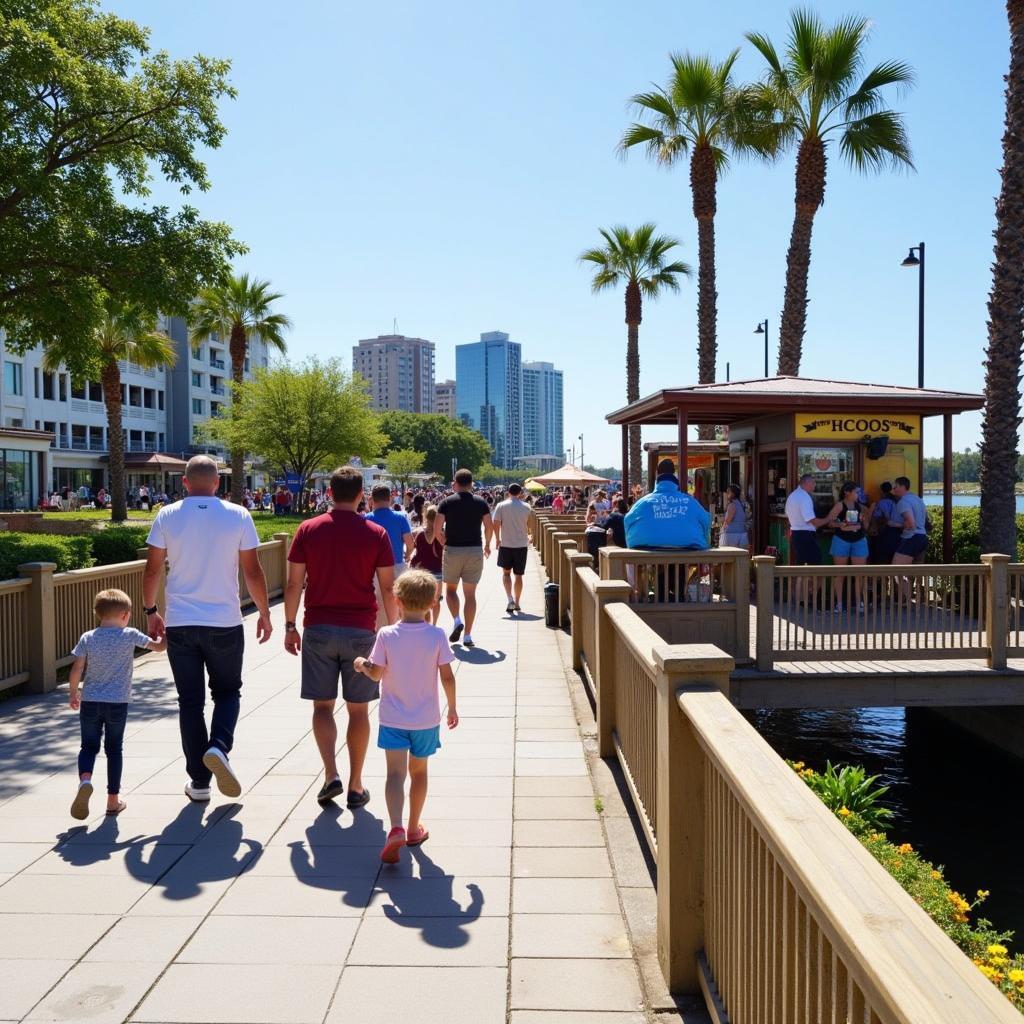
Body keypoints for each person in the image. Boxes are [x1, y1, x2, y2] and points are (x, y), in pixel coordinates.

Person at [142, 455, 272, 803]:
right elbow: (254, 572)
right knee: (228, 692)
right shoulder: (238, 515)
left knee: (190, 702)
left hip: (181, 622)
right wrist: (264, 612)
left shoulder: (167, 515)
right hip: (224, 622)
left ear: (184, 483)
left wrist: (151, 610)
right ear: (218, 483)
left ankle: (199, 783)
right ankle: (219, 747)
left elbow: (152, 569)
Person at [283, 465, 397, 808]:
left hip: (318, 627)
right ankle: (356, 784)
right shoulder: (376, 534)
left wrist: (290, 626)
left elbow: (293, 584)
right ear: (361, 495)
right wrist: (393, 633)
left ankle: (330, 774)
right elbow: (388, 587)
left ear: (329, 493)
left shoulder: (308, 529)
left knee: (322, 706)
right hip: (361, 630)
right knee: (359, 711)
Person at [354, 570, 458, 863]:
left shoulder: (386, 635)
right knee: (419, 773)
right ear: (432, 603)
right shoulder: (437, 635)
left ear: (397, 600)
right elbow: (447, 677)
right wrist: (452, 707)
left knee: (395, 775)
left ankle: (396, 826)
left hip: (393, 719)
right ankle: (414, 828)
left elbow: (375, 674)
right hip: (425, 719)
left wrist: (362, 664)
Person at [68, 589, 166, 818]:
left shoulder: (88, 637)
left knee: (88, 747)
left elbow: (77, 668)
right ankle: (113, 800)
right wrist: (166, 631)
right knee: (114, 749)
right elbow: (159, 648)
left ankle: (85, 780)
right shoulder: (130, 634)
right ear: (125, 615)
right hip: (117, 703)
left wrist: (74, 693)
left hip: (91, 700)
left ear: (98, 614)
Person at [436, 468, 493, 648]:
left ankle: (456, 619)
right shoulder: (481, 502)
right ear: (471, 483)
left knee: (450, 591)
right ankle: (467, 635)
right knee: (470, 595)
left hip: (453, 549)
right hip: (474, 549)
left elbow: (437, 529)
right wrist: (487, 544)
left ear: (456, 482)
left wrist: (444, 541)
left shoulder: (446, 502)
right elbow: (489, 526)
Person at [624, 459, 710, 550]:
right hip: (686, 558)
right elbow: (706, 520)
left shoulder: (642, 503)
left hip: (647, 558)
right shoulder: (691, 502)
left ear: (657, 473)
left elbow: (627, 521)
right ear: (674, 472)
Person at [827, 481, 870, 611]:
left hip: (859, 540)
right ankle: (839, 604)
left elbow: (866, 526)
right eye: (856, 492)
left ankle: (859, 603)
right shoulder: (840, 505)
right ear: (847, 492)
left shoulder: (861, 507)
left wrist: (864, 519)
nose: (858, 494)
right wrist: (841, 525)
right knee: (840, 574)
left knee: (859, 574)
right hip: (841, 540)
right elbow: (829, 522)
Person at [492, 482, 532, 614]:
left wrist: (497, 539)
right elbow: (531, 525)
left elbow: (496, 523)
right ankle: (518, 602)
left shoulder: (501, 506)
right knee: (519, 575)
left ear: (508, 492)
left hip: (506, 544)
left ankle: (510, 599)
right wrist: (531, 537)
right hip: (521, 544)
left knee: (506, 573)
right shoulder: (526, 507)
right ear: (520, 493)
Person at [367, 484, 414, 577]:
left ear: (372, 499)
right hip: (396, 565)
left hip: (373, 568)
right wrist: (407, 555)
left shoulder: (365, 519)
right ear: (390, 498)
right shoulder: (400, 518)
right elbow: (410, 544)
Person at [784, 474, 830, 566]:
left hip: (796, 534)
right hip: (806, 535)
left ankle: (798, 581)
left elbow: (788, 516)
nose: (815, 485)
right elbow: (812, 521)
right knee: (815, 568)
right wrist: (828, 519)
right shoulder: (804, 497)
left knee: (801, 565)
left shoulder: (792, 495)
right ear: (806, 483)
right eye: (813, 483)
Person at [411, 505, 444, 623]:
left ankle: (426, 624)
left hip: (422, 570)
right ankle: (433, 625)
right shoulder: (442, 534)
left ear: (425, 517)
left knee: (423, 601)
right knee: (436, 600)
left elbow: (413, 548)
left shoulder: (418, 533)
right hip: (436, 569)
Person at [892, 476, 929, 565]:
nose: (893, 489)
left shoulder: (903, 502)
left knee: (895, 570)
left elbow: (910, 524)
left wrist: (893, 524)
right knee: (916, 573)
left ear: (902, 487)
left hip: (912, 537)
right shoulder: (918, 499)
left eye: (895, 486)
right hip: (922, 537)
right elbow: (926, 518)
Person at [869, 481, 901, 564]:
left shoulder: (882, 502)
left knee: (882, 557)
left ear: (881, 491)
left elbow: (878, 518)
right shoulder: (897, 501)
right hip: (899, 531)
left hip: (886, 532)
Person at [719, 484, 749, 550]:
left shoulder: (732, 505)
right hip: (742, 534)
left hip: (732, 536)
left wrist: (722, 528)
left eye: (728, 492)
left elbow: (727, 521)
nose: (727, 494)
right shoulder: (741, 504)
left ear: (732, 493)